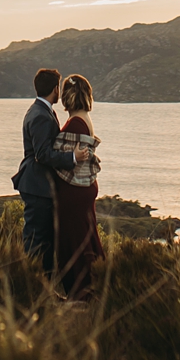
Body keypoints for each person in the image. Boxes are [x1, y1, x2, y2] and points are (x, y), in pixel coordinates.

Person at [10, 67, 75, 278]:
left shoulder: (41, 110)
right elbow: (42, 154)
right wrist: (73, 158)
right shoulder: (40, 115)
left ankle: (43, 287)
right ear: (55, 88)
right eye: (59, 86)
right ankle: (32, 287)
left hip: (39, 185)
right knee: (37, 241)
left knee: (43, 240)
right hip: (37, 186)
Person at [52, 73, 105, 298]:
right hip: (84, 190)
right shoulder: (84, 118)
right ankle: (90, 288)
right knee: (85, 237)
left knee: (73, 242)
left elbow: (65, 156)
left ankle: (82, 293)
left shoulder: (75, 122)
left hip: (74, 192)